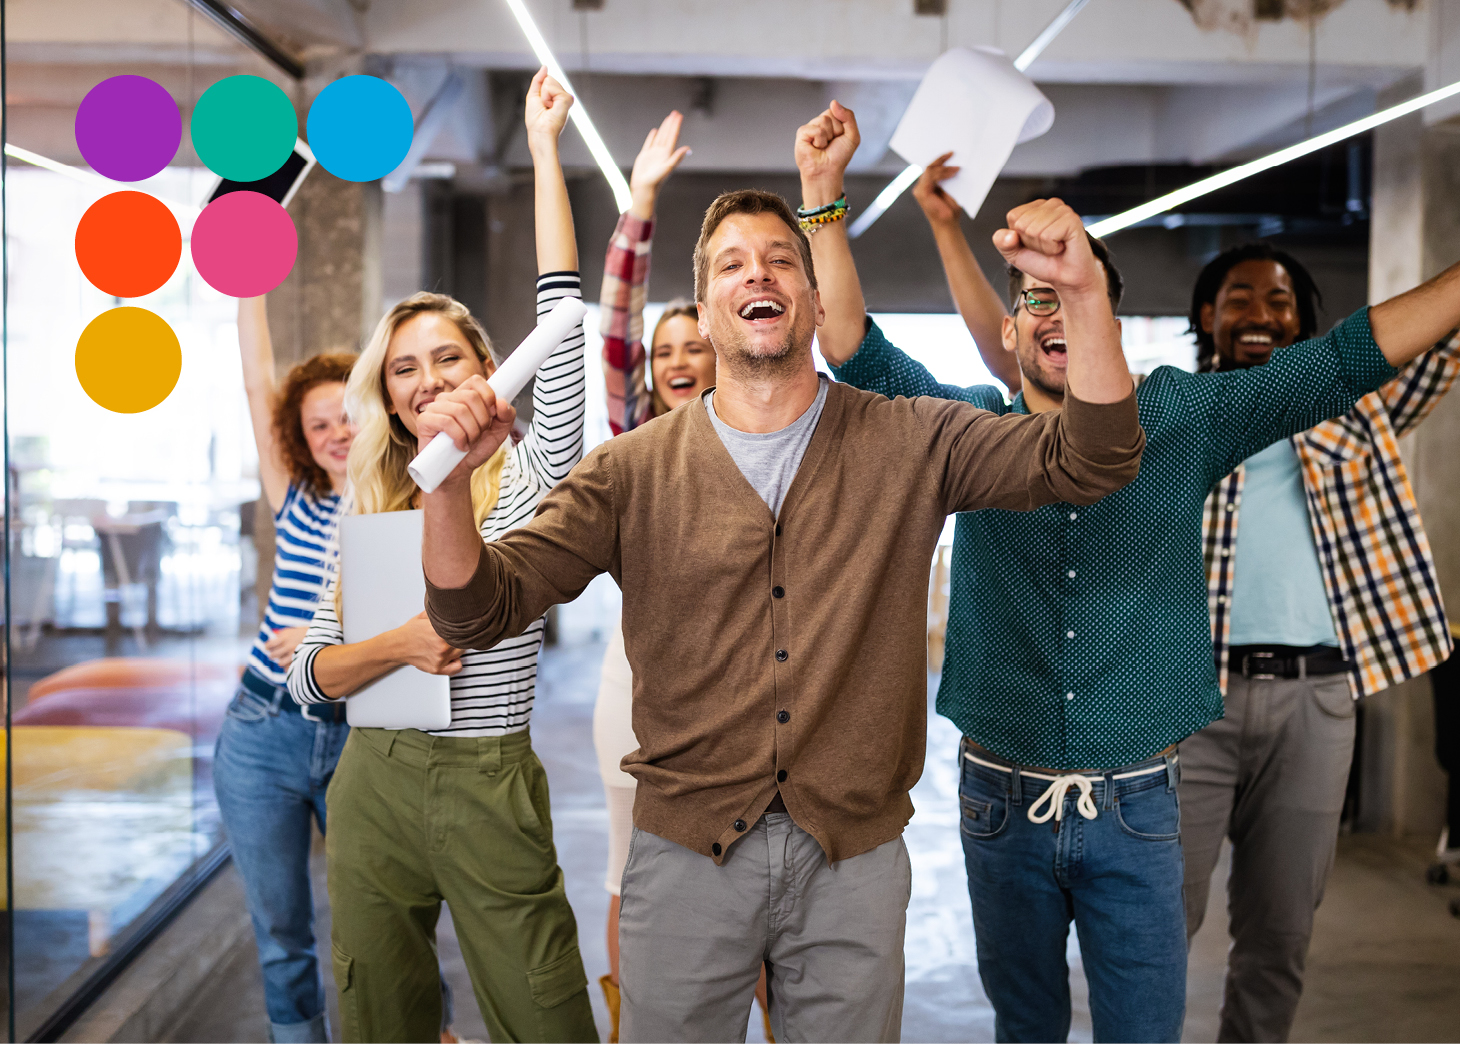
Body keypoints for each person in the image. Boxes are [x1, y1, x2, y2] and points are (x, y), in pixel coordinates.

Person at [414, 100, 1146, 1041]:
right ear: (709, 304)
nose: (757, 273)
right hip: (685, 857)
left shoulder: (910, 436)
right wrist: (447, 493)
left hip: (855, 857)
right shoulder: (631, 471)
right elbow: (480, 611)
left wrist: (1085, 300)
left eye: (781, 261)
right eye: (730, 264)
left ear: (812, 298)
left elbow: (1092, 460)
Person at [807, 124, 1460, 1044]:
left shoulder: (1182, 419)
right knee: (1025, 1026)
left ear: (1108, 319)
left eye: (1073, 296)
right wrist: (821, 193)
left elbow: (1350, 357)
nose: (1053, 314)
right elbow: (852, 348)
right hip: (1002, 795)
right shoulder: (966, 432)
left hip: (1141, 800)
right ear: (1008, 330)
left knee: (1145, 1029)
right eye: (1033, 301)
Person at [284, 69, 596, 1044]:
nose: (427, 382)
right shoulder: (371, 500)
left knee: (544, 1012)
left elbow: (562, 318)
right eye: (404, 369)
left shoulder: (533, 466)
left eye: (447, 359)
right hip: (371, 783)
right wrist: (400, 645)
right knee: (379, 1013)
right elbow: (309, 679)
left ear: (485, 364)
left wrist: (544, 150)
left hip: (485, 780)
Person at [1177, 243, 1460, 1043]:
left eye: (1278, 301)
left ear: (1301, 319)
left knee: (1281, 933)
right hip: (1188, 701)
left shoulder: (1356, 409)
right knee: (1158, 921)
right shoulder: (1176, 416)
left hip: (1317, 702)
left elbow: (1442, 342)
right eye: (1239, 298)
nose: (1260, 316)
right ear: (1208, 316)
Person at [593, 109, 765, 1043]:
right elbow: (615, 326)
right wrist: (641, 203)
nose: (676, 363)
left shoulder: (772, 434)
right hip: (640, 688)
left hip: (758, 693)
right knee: (631, 873)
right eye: (663, 356)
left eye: (694, 347)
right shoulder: (639, 448)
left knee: (773, 876)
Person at [211, 297, 355, 1044]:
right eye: (317, 425)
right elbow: (254, 379)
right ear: (299, 439)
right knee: (282, 932)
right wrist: (249, 284)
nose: (334, 435)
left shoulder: (410, 499)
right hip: (261, 731)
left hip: (355, 734)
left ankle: (423, 1028)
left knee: (380, 916)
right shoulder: (294, 498)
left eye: (345, 416)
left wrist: (325, 634)